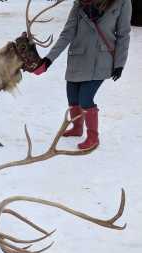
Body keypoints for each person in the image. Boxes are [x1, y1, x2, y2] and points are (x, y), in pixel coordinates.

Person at [34, 0, 131, 150]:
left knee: (85, 98)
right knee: (72, 97)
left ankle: (93, 137)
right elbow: (67, 33)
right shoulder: (80, 3)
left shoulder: (122, 2)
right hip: (78, 57)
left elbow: (124, 34)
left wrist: (119, 64)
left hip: (101, 59)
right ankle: (77, 128)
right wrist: (48, 60)